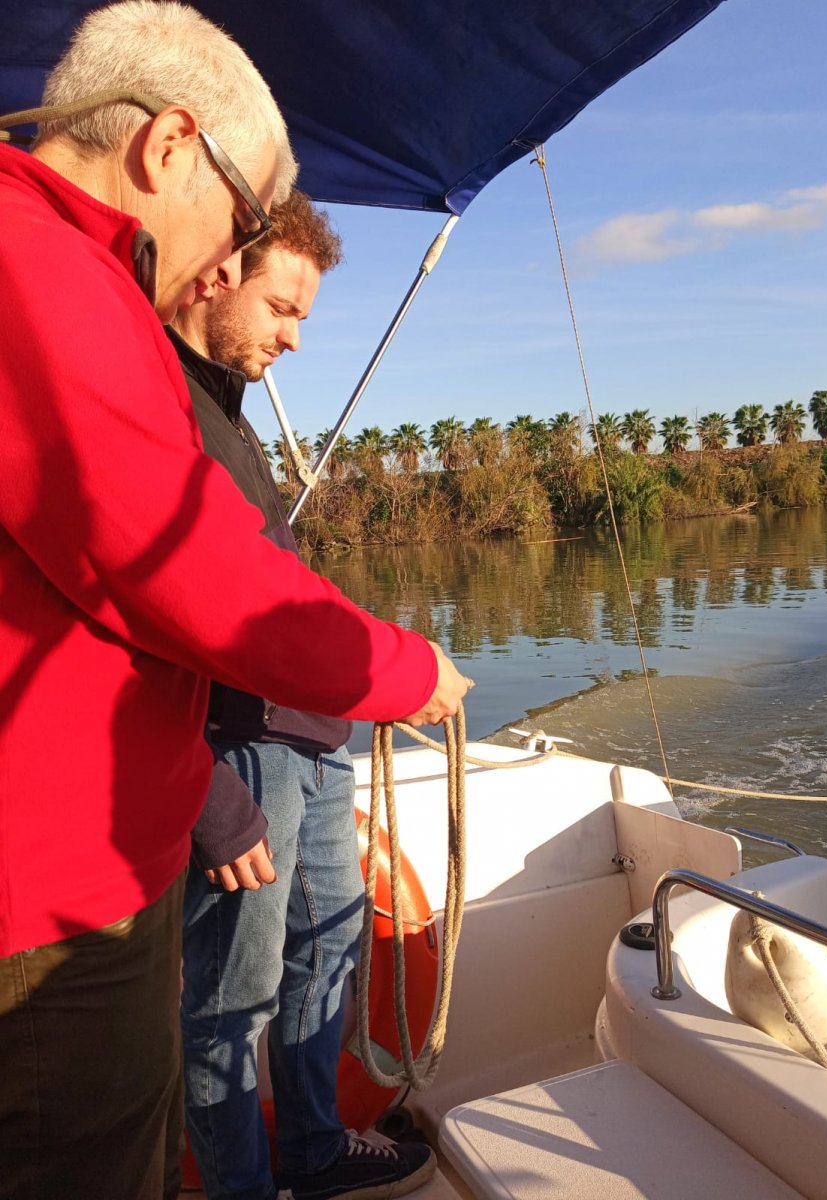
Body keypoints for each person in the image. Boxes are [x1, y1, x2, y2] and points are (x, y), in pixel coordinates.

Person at [0, 5, 468, 1198]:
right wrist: (408, 671)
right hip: (50, 892)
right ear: (168, 147)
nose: (228, 255)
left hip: (94, 859)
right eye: (248, 219)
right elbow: (181, 568)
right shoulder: (38, 264)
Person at [169, 191, 435, 1200]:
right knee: (230, 1008)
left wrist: (375, 676)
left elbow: (278, 592)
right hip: (242, 755)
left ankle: (315, 1151)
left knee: (325, 957)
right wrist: (211, 803)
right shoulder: (164, 409)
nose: (293, 336)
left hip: (315, 745)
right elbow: (145, 643)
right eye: (283, 308)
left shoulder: (231, 417)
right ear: (219, 272)